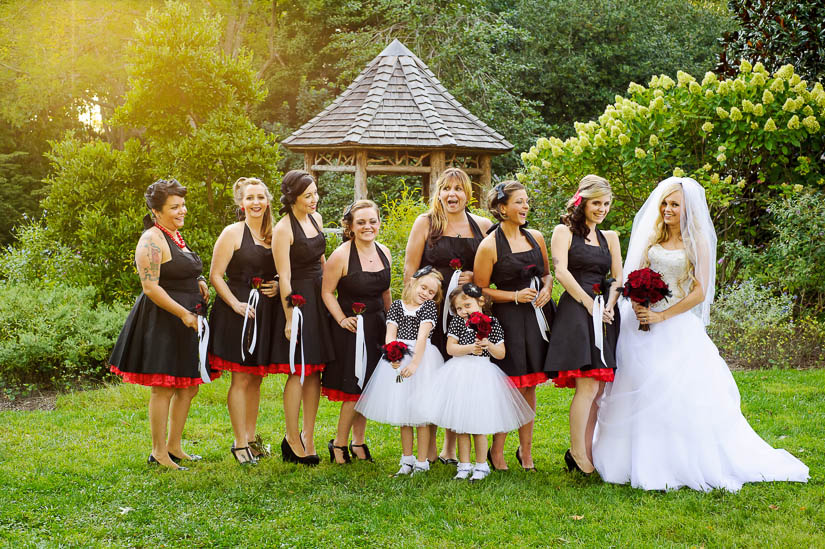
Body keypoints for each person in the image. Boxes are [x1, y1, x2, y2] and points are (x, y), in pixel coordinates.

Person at [593, 177, 809, 491]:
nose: (667, 209)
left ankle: (672, 461)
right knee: (633, 384)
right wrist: (639, 302)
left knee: (671, 392)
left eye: (674, 205)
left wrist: (661, 314)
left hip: (674, 324)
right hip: (639, 322)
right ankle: (629, 457)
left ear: (687, 209)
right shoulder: (653, 236)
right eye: (665, 203)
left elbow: (699, 291)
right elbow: (633, 274)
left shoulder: (698, 243)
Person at [109, 179, 219, 470]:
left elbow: (180, 268)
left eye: (183, 204)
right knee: (164, 387)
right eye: (175, 207)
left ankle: (175, 446)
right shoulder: (151, 240)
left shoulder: (174, 235)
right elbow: (151, 287)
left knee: (188, 387)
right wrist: (183, 314)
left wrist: (199, 281)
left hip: (189, 319)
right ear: (156, 211)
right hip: (164, 321)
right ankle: (158, 453)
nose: (182, 210)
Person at [404, 167, 493, 464]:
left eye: (458, 189)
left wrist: (475, 280)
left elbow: (492, 267)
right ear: (438, 193)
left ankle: (450, 448)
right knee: (432, 372)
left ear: (468, 194)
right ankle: (428, 447)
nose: (451, 194)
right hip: (432, 309)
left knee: (459, 376)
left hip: (464, 313)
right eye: (446, 188)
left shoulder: (482, 225)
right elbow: (410, 271)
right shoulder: (426, 223)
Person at [473, 181, 554, 471]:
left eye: (526, 201)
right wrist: (515, 296)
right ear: (502, 208)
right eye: (519, 202)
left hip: (536, 316)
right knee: (511, 386)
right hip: (508, 318)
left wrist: (547, 288)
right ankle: (496, 451)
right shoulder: (488, 246)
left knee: (530, 383)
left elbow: (546, 274)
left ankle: (526, 452)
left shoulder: (536, 237)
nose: (525, 207)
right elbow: (480, 289)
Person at [544, 175, 622, 475]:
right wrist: (591, 306)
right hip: (577, 312)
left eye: (606, 203)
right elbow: (561, 272)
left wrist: (611, 305)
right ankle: (577, 452)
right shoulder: (563, 232)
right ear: (582, 202)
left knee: (598, 387)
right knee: (587, 384)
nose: (601, 209)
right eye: (596, 203)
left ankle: (585, 449)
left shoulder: (610, 238)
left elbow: (618, 277)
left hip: (605, 312)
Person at [427, 283, 534, 482]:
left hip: (482, 374)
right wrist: (469, 348)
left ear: (481, 302)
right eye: (459, 308)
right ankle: (464, 464)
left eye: (467, 305)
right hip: (460, 373)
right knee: (461, 424)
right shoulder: (458, 323)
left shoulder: (492, 322)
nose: (463, 311)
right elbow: (451, 349)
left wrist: (488, 345)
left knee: (479, 423)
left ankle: (481, 464)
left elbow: (501, 353)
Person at [208, 177, 279, 466]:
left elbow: (282, 269)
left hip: (265, 312)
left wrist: (276, 284)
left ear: (268, 201)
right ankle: (239, 443)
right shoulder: (232, 233)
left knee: (257, 378)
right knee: (240, 378)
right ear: (241, 203)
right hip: (237, 311)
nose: (256, 203)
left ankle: (251, 437)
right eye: (250, 198)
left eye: (260, 197)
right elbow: (215, 275)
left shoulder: (275, 233)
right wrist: (235, 304)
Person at [354, 267, 445, 476]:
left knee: (421, 413)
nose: (426, 294)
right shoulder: (396, 306)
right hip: (400, 356)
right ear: (412, 282)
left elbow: (422, 337)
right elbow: (390, 334)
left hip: (423, 360)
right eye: (423, 287)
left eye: (431, 292)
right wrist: (392, 355)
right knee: (403, 412)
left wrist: (414, 364)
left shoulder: (428, 308)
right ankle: (407, 460)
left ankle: (422, 462)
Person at [321, 200, 392, 464]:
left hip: (377, 327)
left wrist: (392, 323)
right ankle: (338, 444)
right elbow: (327, 292)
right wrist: (341, 319)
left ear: (378, 223)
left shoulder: (384, 251)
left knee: (368, 388)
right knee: (353, 388)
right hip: (351, 330)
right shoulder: (341, 255)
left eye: (372, 221)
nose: (367, 226)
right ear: (350, 226)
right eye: (361, 222)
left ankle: (358, 442)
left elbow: (386, 291)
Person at [271, 170, 334, 466]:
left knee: (316, 369)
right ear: (293, 198)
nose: (314, 199)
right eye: (308, 195)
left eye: (315, 193)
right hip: (298, 300)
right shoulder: (283, 229)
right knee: (298, 369)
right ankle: (291, 437)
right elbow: (284, 276)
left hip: (319, 296)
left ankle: (309, 435)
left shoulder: (316, 219)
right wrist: (288, 317)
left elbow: (322, 260)